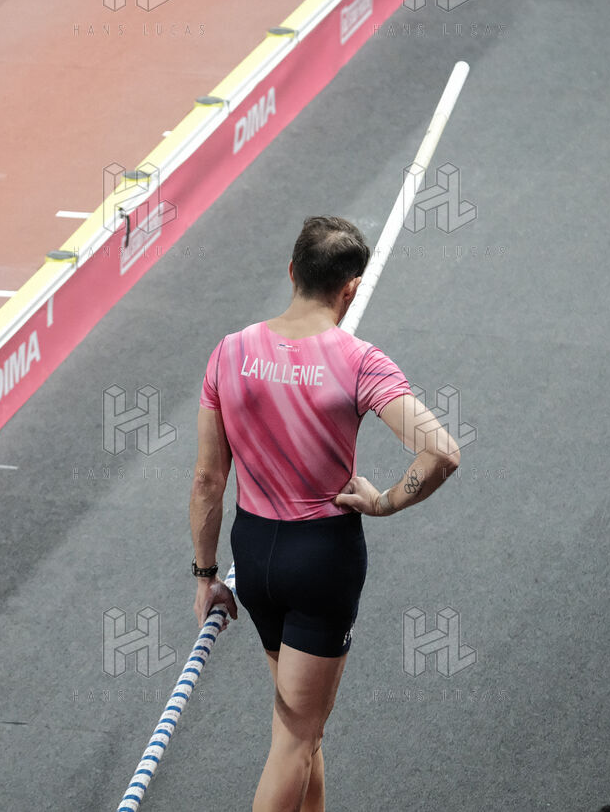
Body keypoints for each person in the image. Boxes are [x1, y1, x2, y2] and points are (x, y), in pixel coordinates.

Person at [188, 216, 461, 812]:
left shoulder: (229, 352)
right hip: (321, 560)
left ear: (292, 271)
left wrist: (206, 577)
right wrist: (385, 501)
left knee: (303, 728)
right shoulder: (359, 362)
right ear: (351, 288)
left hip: (253, 556)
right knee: (295, 737)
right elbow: (441, 453)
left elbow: (209, 480)